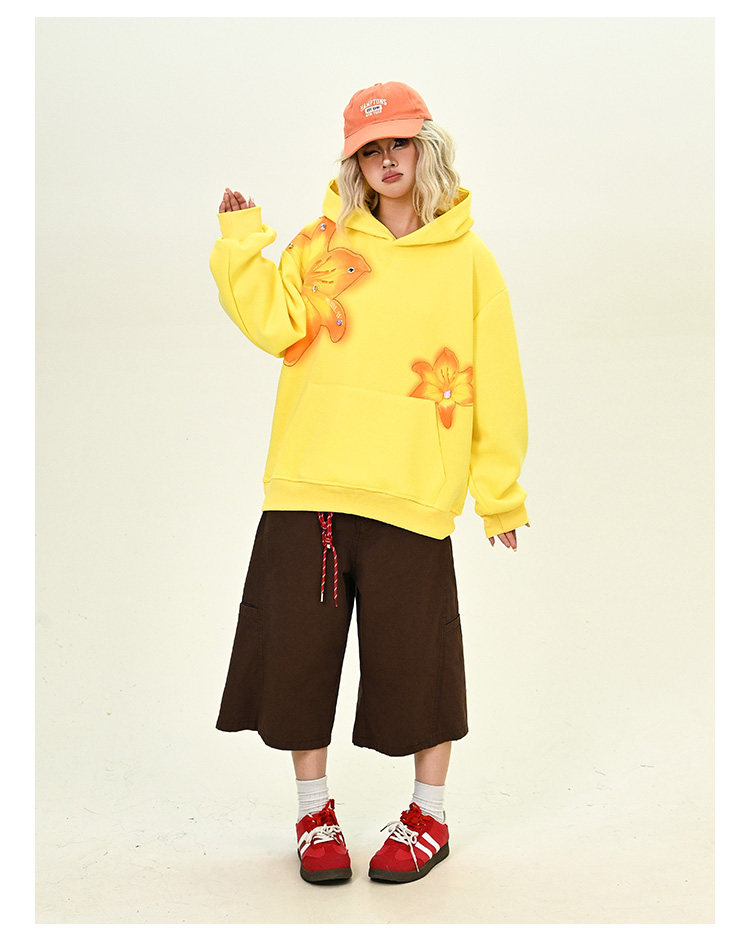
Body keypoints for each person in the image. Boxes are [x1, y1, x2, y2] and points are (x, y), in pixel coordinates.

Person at [208, 80, 530, 885]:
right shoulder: (323, 245)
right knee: (298, 661)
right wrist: (241, 245)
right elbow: (276, 325)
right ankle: (313, 811)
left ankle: (430, 815)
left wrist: (499, 494)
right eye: (370, 149)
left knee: (419, 664)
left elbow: (497, 381)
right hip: (309, 488)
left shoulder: (469, 261)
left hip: (413, 496)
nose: (387, 160)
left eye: (400, 144)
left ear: (427, 148)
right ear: (354, 162)